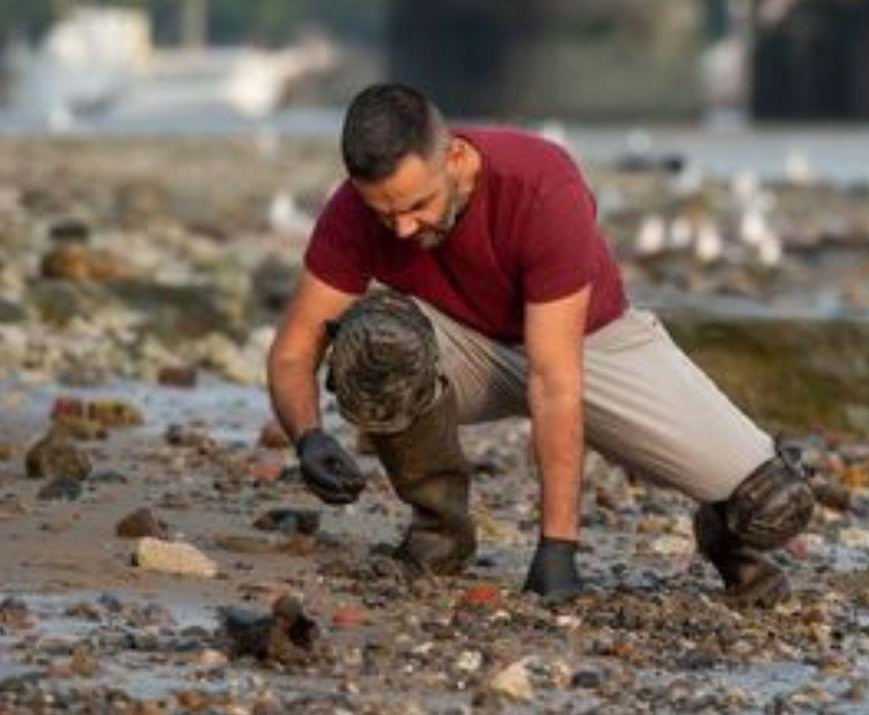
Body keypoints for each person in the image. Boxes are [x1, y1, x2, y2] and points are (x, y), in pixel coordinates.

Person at [266, 83, 814, 607]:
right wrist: (307, 436)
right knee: (373, 344)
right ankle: (439, 532)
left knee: (772, 504)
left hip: (592, 344)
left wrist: (558, 551)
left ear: (454, 157)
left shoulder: (540, 184)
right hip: (465, 347)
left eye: (417, 205)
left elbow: (554, 380)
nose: (404, 228)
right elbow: (296, 346)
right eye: (387, 215)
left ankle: (719, 533)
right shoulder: (355, 211)